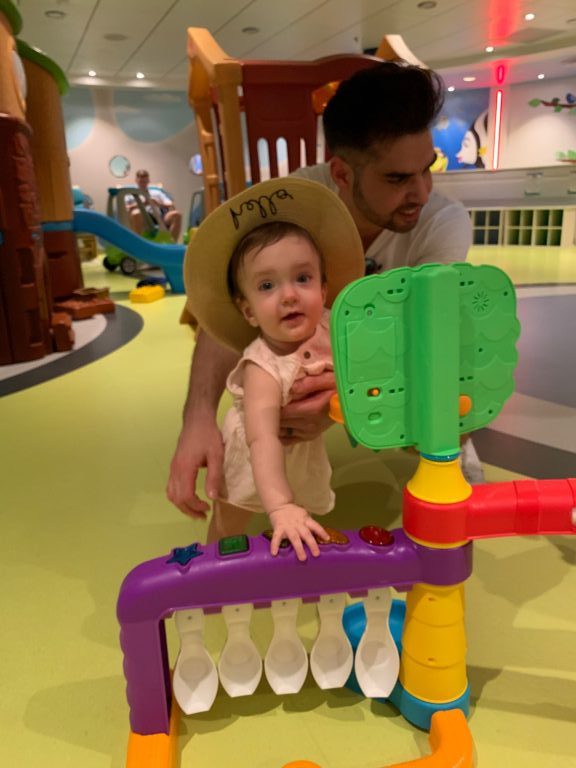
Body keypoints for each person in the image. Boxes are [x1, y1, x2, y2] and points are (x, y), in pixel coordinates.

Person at [167, 61, 480, 523]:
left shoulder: (442, 222)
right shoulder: (293, 201)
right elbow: (229, 316)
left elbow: (427, 343)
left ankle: (456, 450)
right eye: (397, 179)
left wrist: (343, 407)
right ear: (341, 173)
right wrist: (196, 418)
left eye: (427, 169)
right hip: (311, 352)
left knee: (460, 366)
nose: (420, 192)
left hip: (387, 358)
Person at [182, 177, 365, 560]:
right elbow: (263, 438)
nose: (289, 295)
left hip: (304, 452)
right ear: (248, 310)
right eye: (267, 285)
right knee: (232, 519)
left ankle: (298, 555)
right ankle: (213, 561)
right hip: (251, 455)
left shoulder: (334, 328)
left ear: (324, 289)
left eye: (303, 278)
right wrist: (279, 505)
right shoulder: (262, 365)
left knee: (303, 513)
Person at [125, 168, 182, 241]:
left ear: (148, 181)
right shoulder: (130, 194)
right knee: (136, 213)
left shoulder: (157, 193)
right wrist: (142, 204)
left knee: (177, 215)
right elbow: (125, 207)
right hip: (141, 218)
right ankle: (138, 244)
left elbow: (170, 204)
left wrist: (158, 204)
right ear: (136, 181)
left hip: (159, 217)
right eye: (141, 181)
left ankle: (171, 244)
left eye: (145, 181)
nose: (143, 183)